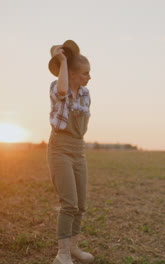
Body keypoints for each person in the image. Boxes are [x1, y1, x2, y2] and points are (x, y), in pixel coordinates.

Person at [47, 40, 94, 264]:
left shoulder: (85, 94)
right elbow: (64, 89)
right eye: (85, 73)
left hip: (78, 148)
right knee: (69, 203)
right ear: (72, 73)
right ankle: (62, 254)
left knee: (81, 204)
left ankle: (74, 248)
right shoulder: (56, 88)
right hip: (60, 148)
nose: (89, 78)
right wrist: (63, 60)